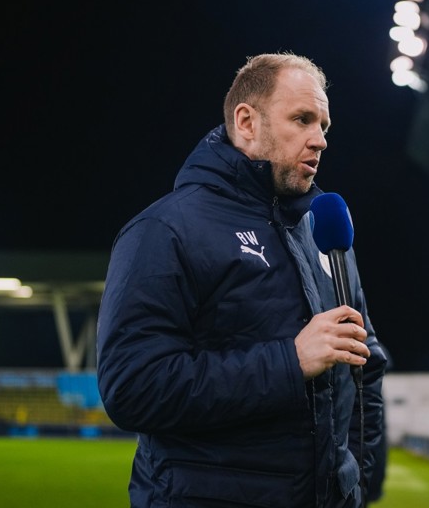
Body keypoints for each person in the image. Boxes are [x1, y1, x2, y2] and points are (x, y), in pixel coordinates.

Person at [96, 52, 388, 507]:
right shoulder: (164, 231)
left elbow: (364, 368)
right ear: (247, 122)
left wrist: (356, 489)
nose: (320, 140)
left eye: (324, 127)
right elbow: (133, 389)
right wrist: (289, 362)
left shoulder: (326, 233)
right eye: (302, 119)